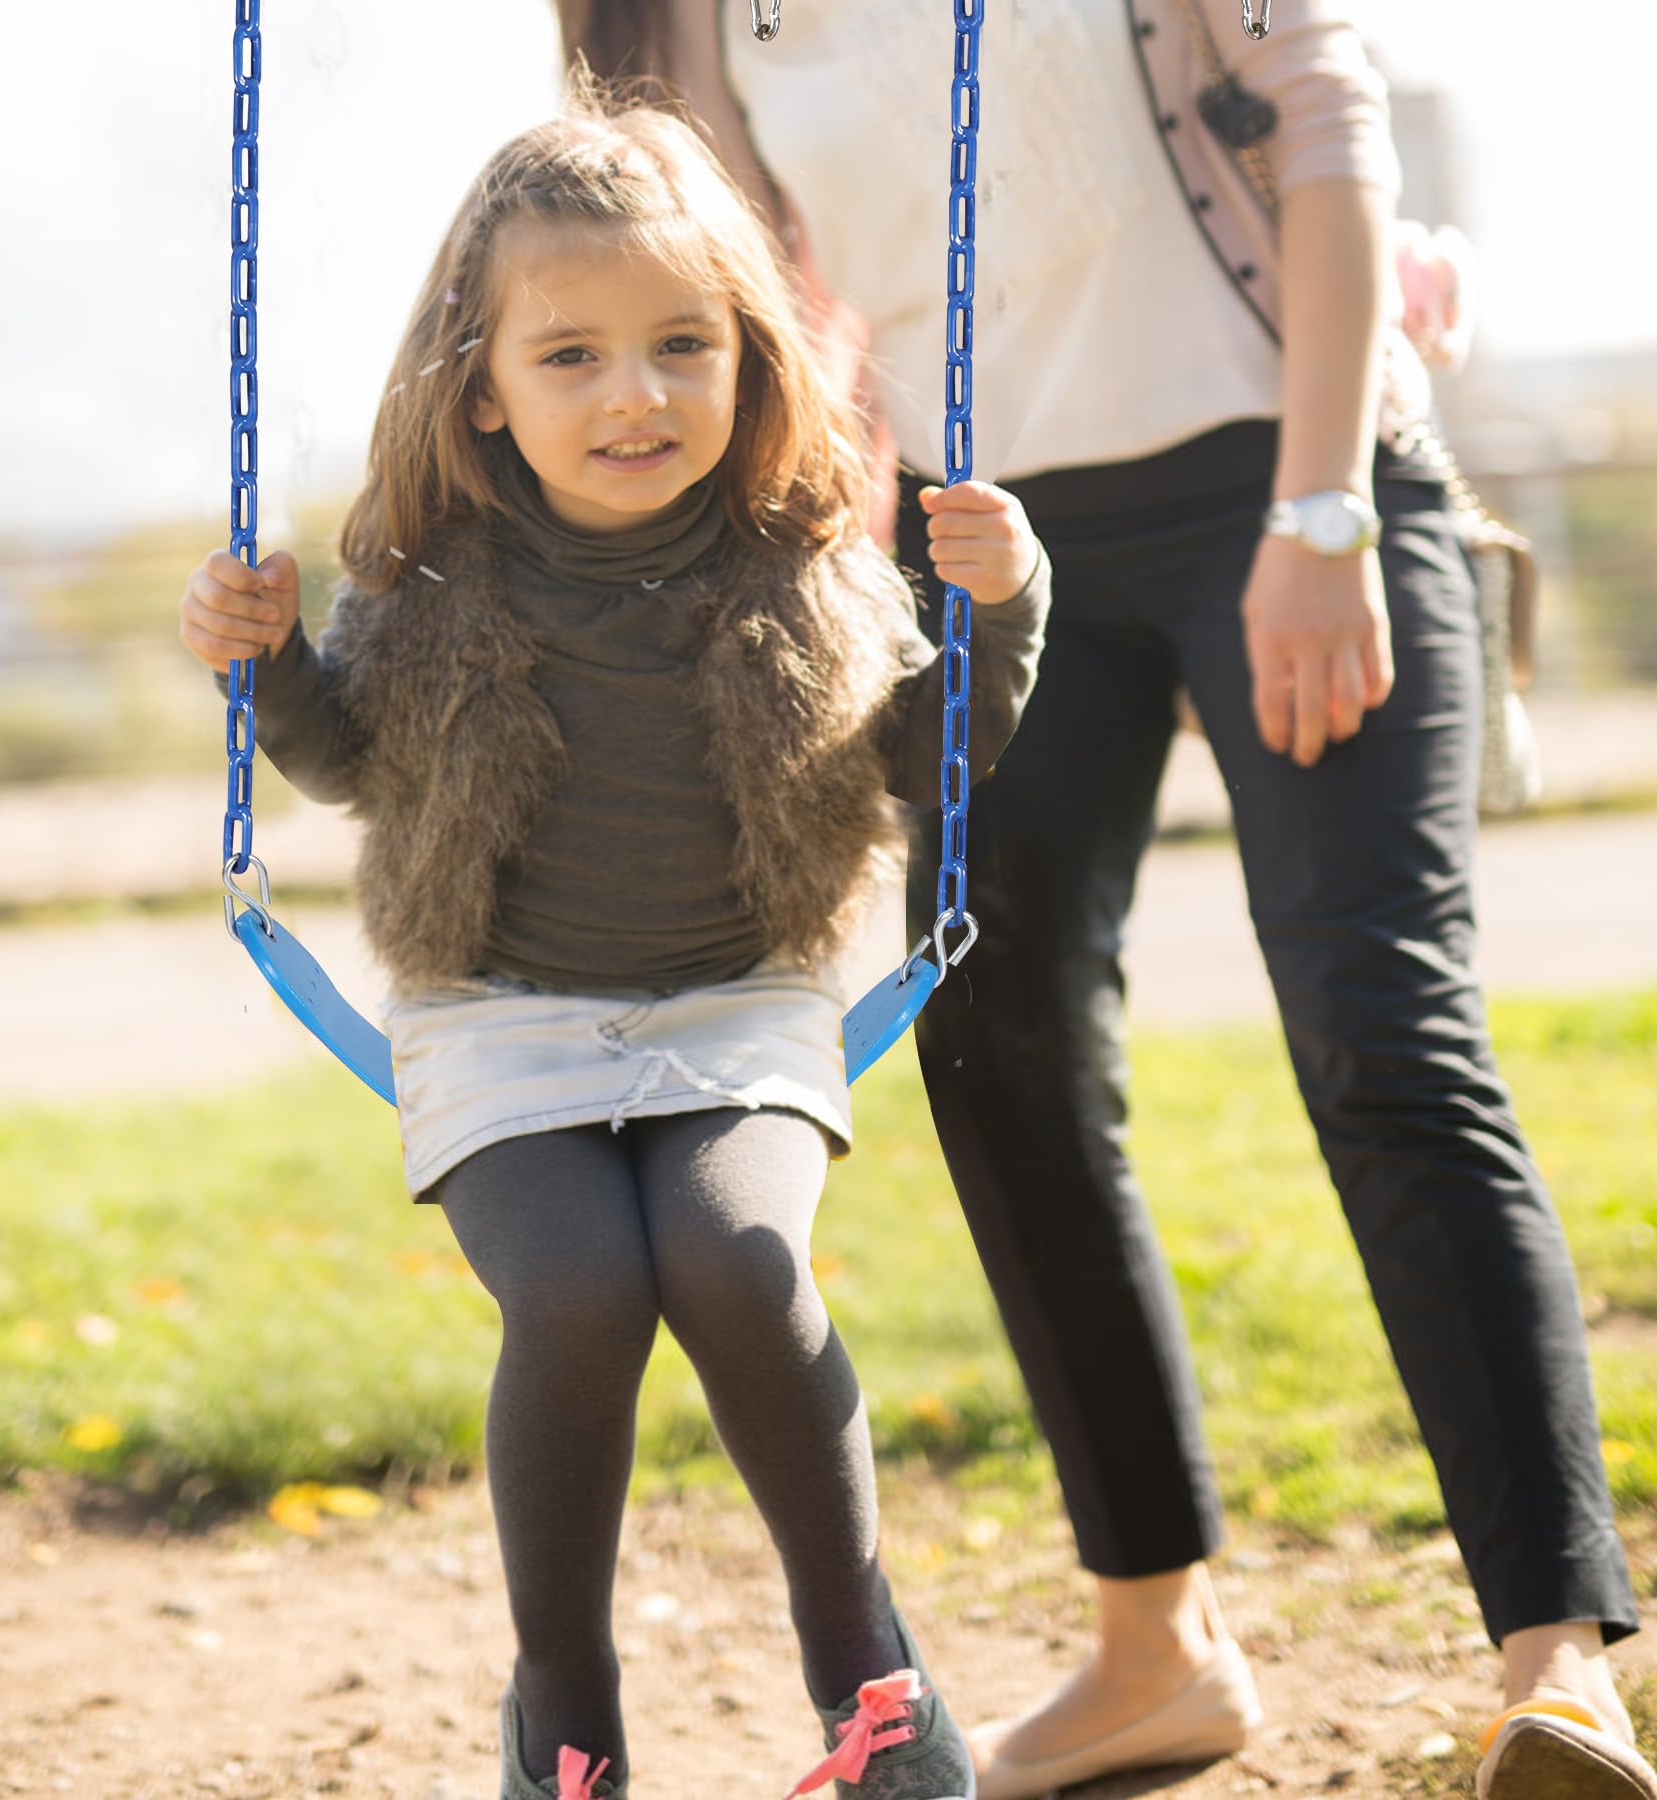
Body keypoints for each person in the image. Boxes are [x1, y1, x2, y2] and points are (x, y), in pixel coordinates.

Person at [556, 5, 1657, 1799]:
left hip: (1288, 482)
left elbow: (1325, 127)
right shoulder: (693, 11)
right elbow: (730, 298)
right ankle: (1159, 1649)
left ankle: (1561, 1667)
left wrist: (1321, 520)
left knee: (1380, 1024)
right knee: (993, 1050)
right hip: (988, 539)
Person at [180, 90, 1053, 1800]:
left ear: (750, 356)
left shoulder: (803, 567)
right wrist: (267, 662)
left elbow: (923, 758)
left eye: (679, 344)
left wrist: (1004, 607)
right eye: (568, 355)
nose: (635, 395)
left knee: (733, 1264)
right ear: (481, 384)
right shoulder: (437, 582)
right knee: (578, 1286)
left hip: (743, 1000)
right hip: (497, 1012)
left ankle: (869, 1678)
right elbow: (351, 759)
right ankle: (564, 1714)